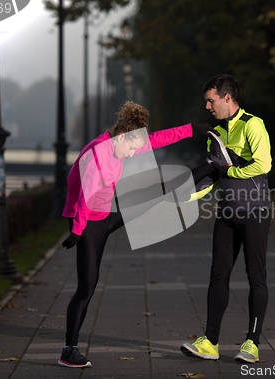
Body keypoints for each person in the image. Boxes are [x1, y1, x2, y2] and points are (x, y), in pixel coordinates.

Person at [58, 101, 219, 368]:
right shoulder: (97, 154)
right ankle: (69, 350)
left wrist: (193, 129)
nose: (134, 153)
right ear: (122, 137)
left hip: (109, 211)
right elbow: (85, 197)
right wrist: (76, 232)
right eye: (132, 148)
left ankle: (211, 166)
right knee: (87, 287)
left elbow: (157, 139)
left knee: (157, 190)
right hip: (88, 224)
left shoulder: (126, 142)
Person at [181, 74, 272, 363]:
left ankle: (252, 344)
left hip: (256, 211)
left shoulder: (253, 124)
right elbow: (212, 180)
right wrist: (187, 198)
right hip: (227, 213)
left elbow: (263, 164)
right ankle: (210, 342)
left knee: (255, 276)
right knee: (218, 275)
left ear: (227, 98)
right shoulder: (216, 135)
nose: (208, 106)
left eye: (211, 100)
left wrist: (231, 169)